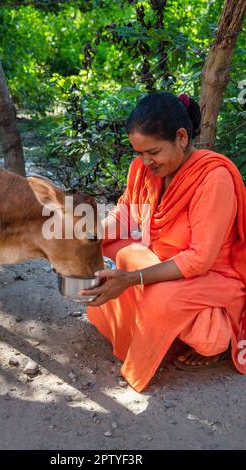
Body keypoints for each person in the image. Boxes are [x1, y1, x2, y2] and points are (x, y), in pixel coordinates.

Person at [80, 91, 246, 392]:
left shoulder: (214, 179)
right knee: (109, 247)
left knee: (159, 298)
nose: (145, 162)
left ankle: (216, 339)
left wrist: (133, 279)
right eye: (139, 153)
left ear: (182, 137)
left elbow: (198, 260)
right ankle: (160, 332)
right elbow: (128, 216)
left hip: (213, 274)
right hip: (162, 256)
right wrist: (88, 238)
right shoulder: (143, 169)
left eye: (153, 152)